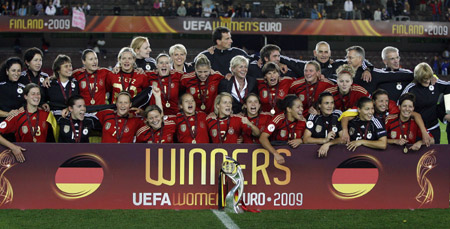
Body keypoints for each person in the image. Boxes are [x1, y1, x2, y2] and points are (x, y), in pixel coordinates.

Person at [0, 83, 58, 162]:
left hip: (43, 159)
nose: (36, 96)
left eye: (38, 94)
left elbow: (54, 139)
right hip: (23, 159)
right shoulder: (17, 116)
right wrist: (13, 147)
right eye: (33, 94)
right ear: (25, 96)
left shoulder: (47, 115)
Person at [402, 62, 450, 143]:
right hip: (415, 128)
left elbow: (449, 87)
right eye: (424, 80)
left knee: (434, 154)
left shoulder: (435, 83)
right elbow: (399, 105)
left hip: (434, 128)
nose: (427, 82)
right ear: (418, 78)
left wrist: (448, 111)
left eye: (429, 78)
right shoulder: (411, 88)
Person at [259, 95, 306, 164]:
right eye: (298, 107)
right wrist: (276, 154)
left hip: (296, 159)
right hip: (277, 158)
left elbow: (309, 138)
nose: (302, 109)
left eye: (302, 106)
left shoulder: (303, 121)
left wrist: (301, 140)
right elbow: (263, 138)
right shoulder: (279, 119)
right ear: (289, 109)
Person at [303, 92, 343, 157]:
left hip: (337, 154)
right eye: (326, 103)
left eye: (332, 103)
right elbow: (306, 139)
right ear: (319, 105)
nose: (330, 106)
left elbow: (343, 139)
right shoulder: (314, 116)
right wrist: (324, 140)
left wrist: (328, 144)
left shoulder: (338, 115)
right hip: (316, 154)